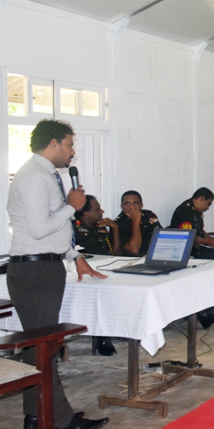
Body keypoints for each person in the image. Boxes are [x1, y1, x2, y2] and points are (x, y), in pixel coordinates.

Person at [6, 119, 109, 429]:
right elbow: (39, 230)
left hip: (44, 266)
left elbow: (52, 230)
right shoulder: (35, 176)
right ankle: (56, 420)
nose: (72, 151)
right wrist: (72, 207)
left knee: (40, 350)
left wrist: (74, 257)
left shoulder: (43, 173)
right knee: (43, 350)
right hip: (36, 271)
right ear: (53, 143)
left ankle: (39, 417)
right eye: (69, 144)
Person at [74, 195, 121, 357]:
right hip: (85, 275)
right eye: (97, 209)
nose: (102, 211)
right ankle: (103, 337)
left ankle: (119, 328)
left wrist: (114, 229)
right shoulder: (74, 229)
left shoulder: (100, 227)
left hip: (107, 270)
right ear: (86, 213)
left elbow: (116, 253)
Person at [170, 187, 214, 260]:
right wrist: (209, 242)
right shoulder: (184, 211)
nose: (208, 208)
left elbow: (200, 231)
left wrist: (213, 239)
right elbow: (189, 237)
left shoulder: (197, 210)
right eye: (208, 204)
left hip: (198, 246)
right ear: (202, 198)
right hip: (189, 250)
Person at [114, 190, 162, 256]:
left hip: (156, 256)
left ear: (141, 205)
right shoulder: (118, 223)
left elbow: (161, 237)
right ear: (122, 206)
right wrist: (136, 221)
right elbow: (133, 250)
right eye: (127, 203)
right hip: (133, 261)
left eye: (135, 203)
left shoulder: (149, 215)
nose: (132, 207)